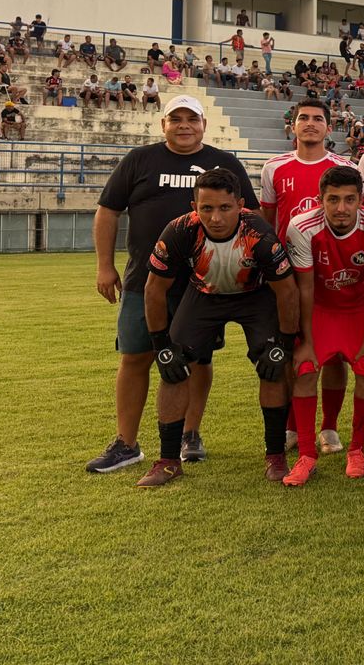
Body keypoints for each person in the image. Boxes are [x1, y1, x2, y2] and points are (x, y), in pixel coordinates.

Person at [87, 95, 256, 475]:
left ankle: (189, 434)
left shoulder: (225, 163)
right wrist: (104, 265)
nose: (183, 125)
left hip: (205, 284)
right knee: (135, 357)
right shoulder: (139, 160)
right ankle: (126, 443)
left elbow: (250, 215)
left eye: (191, 119)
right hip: (142, 280)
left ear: (203, 125)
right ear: (163, 124)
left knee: (198, 360)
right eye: (175, 119)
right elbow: (108, 211)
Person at [135, 168, 301, 487]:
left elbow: (287, 290)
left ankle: (275, 456)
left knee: (272, 365)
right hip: (204, 295)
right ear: (194, 206)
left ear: (240, 204)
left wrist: (284, 341)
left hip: (255, 297)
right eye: (206, 208)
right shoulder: (179, 230)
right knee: (174, 369)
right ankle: (168, 461)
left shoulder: (259, 233)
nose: (215, 217)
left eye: (225, 208)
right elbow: (154, 289)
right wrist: (160, 344)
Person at [282, 166, 364, 485]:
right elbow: (305, 286)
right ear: (320, 200)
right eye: (333, 200)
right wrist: (304, 337)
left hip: (358, 310)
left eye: (349, 200)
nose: (341, 208)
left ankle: (356, 450)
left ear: (361, 199)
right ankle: (306, 455)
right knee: (304, 369)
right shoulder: (301, 226)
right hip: (320, 309)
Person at [260, 99, 357, 454]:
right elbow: (267, 222)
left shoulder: (345, 166)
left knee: (333, 355)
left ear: (329, 127)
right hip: (288, 276)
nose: (311, 123)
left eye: (318, 119)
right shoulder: (274, 167)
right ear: (293, 125)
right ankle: (290, 427)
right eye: (304, 118)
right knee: (292, 350)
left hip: (335, 274)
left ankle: (329, 428)